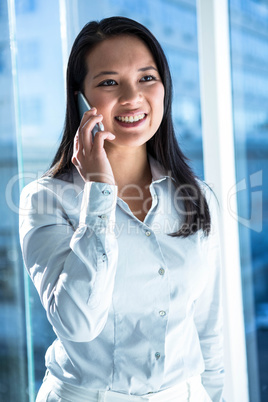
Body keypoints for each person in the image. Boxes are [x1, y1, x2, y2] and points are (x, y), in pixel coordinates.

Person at [19, 16, 224, 402]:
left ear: (164, 88)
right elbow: (78, 323)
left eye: (147, 78)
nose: (132, 97)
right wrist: (99, 190)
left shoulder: (197, 196)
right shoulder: (44, 200)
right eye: (109, 82)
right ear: (80, 98)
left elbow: (207, 326)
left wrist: (214, 394)